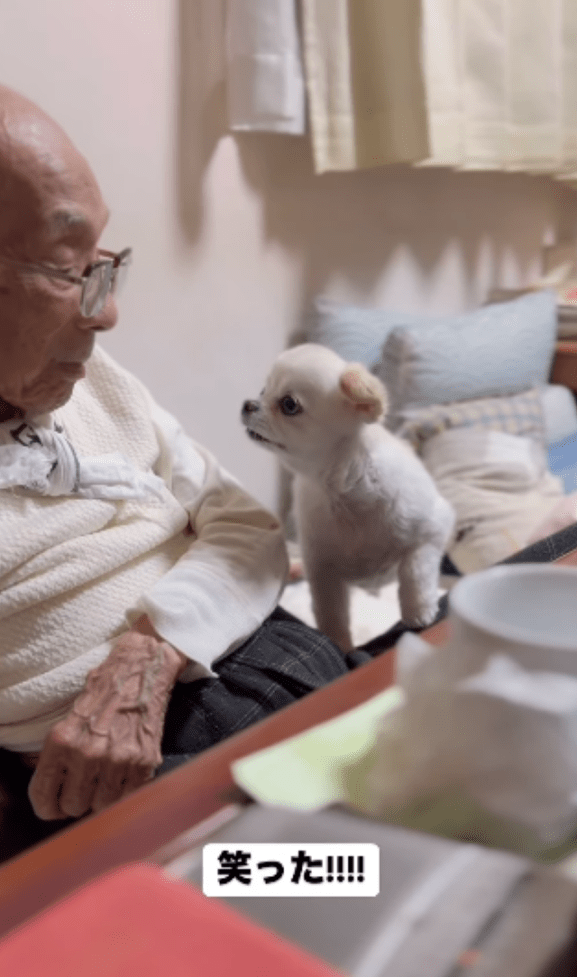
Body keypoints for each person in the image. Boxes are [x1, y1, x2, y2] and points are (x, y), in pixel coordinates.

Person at [0, 83, 370, 850]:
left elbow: (245, 527)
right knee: (346, 888)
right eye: (69, 270)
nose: (105, 314)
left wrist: (152, 649)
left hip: (284, 662)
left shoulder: (93, 381)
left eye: (102, 263)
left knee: (484, 783)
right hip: (137, 781)